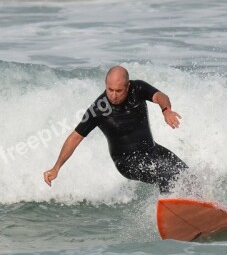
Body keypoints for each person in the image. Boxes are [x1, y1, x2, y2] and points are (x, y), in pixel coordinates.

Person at [43, 66, 188, 194]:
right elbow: (75, 137)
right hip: (126, 161)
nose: (113, 95)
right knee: (166, 174)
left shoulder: (137, 89)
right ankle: (172, 209)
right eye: (110, 90)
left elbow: (160, 96)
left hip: (152, 150)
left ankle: (202, 206)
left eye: (119, 90)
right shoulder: (98, 109)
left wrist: (166, 110)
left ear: (128, 86)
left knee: (186, 175)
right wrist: (56, 168)